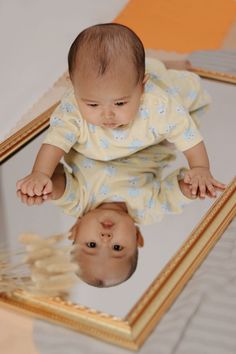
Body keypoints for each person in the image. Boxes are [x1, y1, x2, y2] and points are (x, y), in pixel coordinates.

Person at [17, 143, 202, 288]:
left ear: (75, 230)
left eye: (91, 245)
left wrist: (47, 189)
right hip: (148, 132)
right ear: (137, 237)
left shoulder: (77, 202)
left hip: (97, 124)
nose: (105, 239)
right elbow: (174, 195)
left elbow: (57, 175)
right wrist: (191, 188)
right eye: (117, 247)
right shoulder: (149, 210)